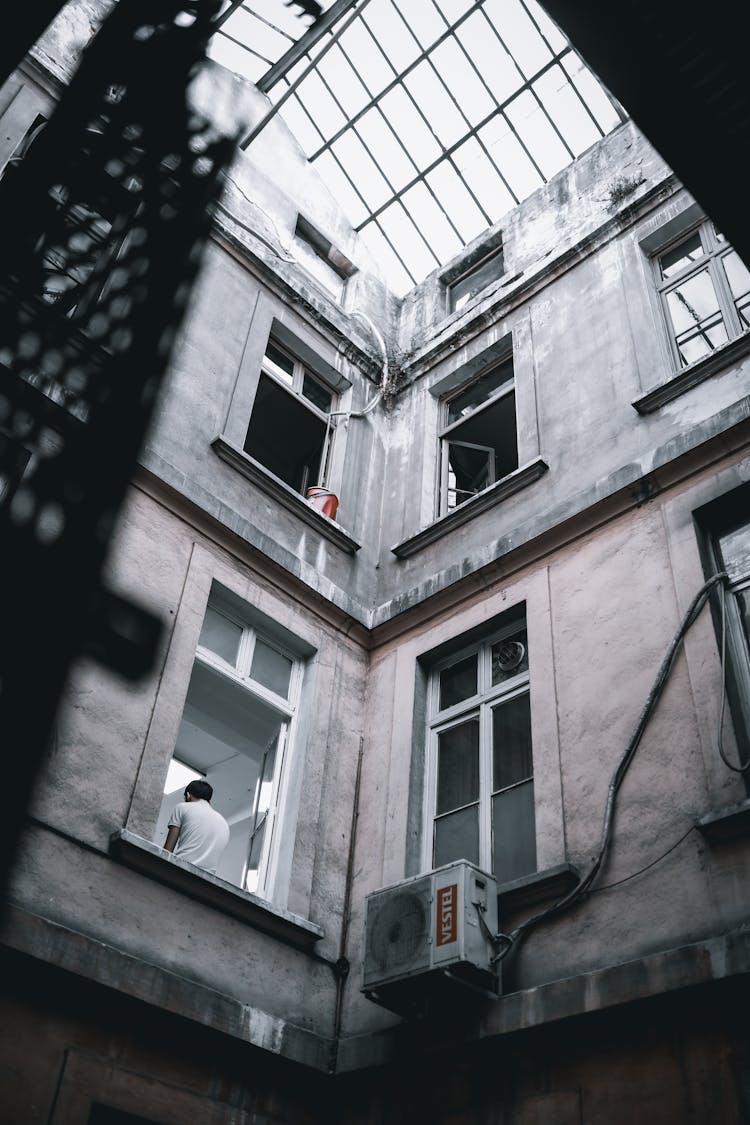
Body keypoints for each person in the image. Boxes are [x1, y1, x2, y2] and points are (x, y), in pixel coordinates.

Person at [163, 779, 230, 875]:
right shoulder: (223, 823)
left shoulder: (182, 808)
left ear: (188, 795)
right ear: (209, 800)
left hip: (180, 870)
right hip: (206, 881)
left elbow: (167, 852)